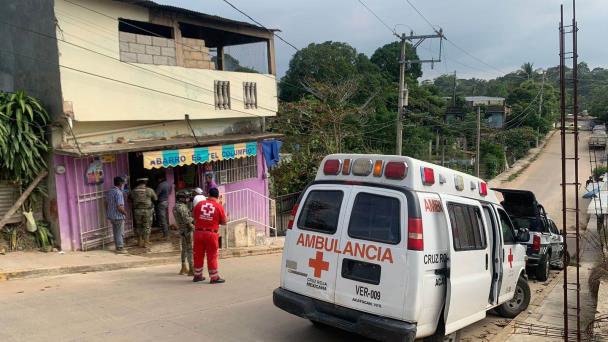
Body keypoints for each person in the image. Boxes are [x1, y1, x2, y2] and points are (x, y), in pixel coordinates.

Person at [192, 187, 227, 283]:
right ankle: (214, 277)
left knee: (198, 254)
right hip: (211, 234)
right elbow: (224, 222)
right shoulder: (218, 206)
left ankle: (197, 275)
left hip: (198, 233)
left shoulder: (199, 204)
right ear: (218, 196)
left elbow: (194, 218)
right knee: (212, 255)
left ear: (208, 194)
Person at [129, 178, 157, 250]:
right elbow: (155, 198)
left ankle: (139, 241)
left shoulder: (134, 190)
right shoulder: (149, 190)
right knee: (147, 226)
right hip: (147, 211)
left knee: (138, 226)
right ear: (145, 183)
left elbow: (130, 197)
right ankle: (146, 242)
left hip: (137, 211)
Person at [173, 191, 194, 276]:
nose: (187, 199)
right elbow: (187, 220)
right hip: (186, 230)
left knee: (184, 249)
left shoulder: (175, 207)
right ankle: (191, 269)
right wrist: (194, 226)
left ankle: (183, 267)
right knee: (189, 250)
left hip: (181, 229)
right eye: (186, 197)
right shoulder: (182, 208)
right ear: (181, 198)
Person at [106, 177, 128, 254]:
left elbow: (106, 203)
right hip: (118, 216)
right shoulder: (119, 193)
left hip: (111, 215)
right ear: (120, 183)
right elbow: (119, 207)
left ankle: (117, 246)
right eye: (123, 183)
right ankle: (120, 248)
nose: (123, 184)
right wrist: (125, 213)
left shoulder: (110, 191)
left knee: (115, 232)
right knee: (119, 232)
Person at [155, 175, 173, 239]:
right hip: (166, 202)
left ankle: (166, 235)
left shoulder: (161, 185)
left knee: (163, 219)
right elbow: (170, 192)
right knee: (164, 218)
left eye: (158, 179)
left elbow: (155, 194)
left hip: (161, 202)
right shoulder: (168, 184)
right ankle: (166, 233)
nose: (158, 180)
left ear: (161, 178)